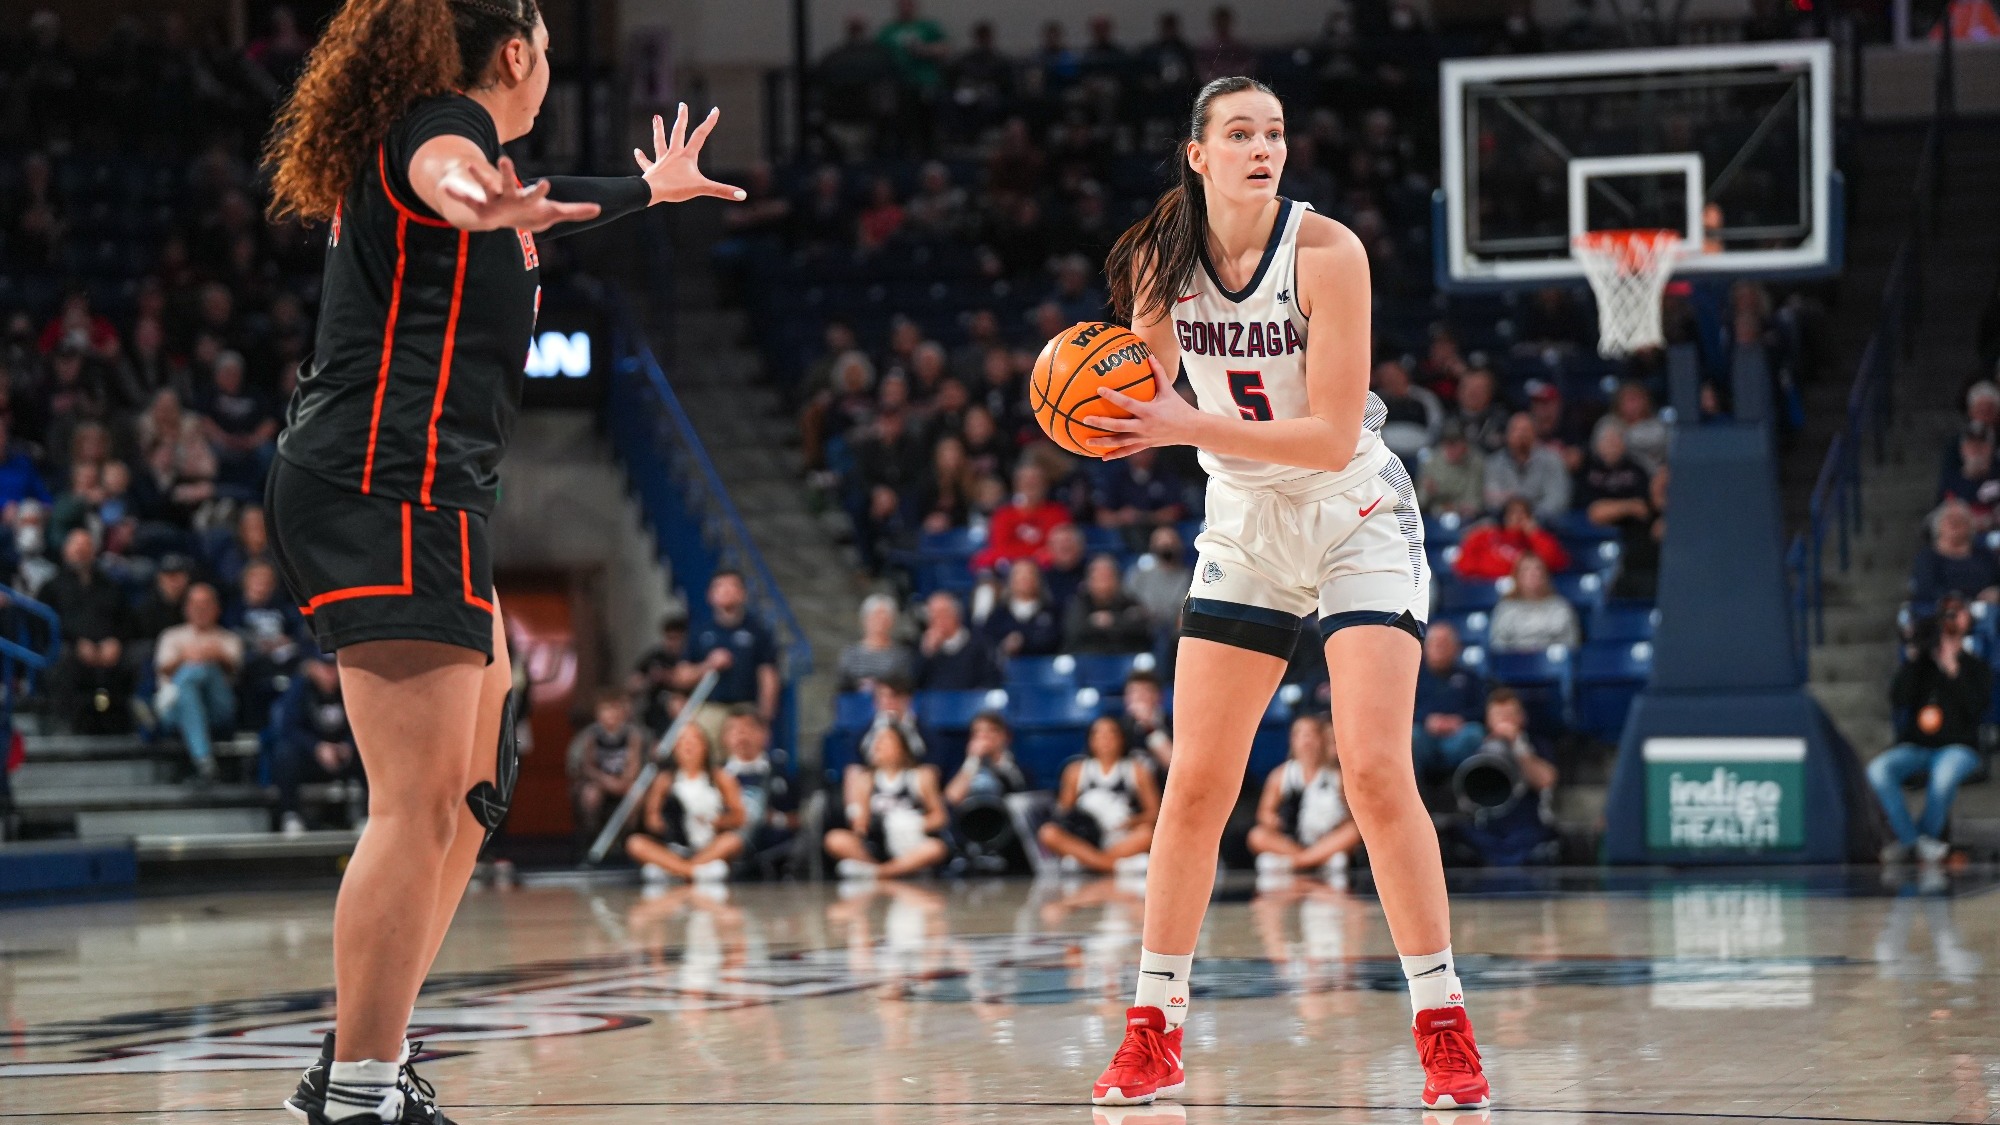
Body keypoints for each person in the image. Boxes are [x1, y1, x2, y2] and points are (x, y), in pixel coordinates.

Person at [258, 0, 744, 1117]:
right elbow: (449, 177)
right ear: (515, 53)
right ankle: (357, 1092)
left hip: (425, 496)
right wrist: (483, 193)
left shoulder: (469, 165)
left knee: (476, 782)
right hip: (377, 486)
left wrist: (646, 192)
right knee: (416, 801)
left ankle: (358, 1059)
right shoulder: (436, 135)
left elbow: (525, 218)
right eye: (547, 49)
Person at [1081, 76, 1488, 1110]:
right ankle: (1151, 1028)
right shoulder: (1155, 261)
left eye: (1272, 132)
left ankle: (1442, 1025)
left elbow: (1327, 432)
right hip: (1246, 532)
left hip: (1353, 517)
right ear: (1197, 153)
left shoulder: (1326, 253)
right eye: (1238, 133)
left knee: (1374, 771)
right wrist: (1092, 404)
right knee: (1196, 786)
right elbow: (1142, 395)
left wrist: (1179, 427)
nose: (1261, 147)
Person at [1869, 597, 1988, 866]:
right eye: (1946, 616)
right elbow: (1899, 698)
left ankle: (1915, 842)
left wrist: (1953, 669)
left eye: (1956, 615)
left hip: (1959, 746)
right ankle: (1918, 844)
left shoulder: (1976, 667)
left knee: (1943, 775)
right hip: (1918, 745)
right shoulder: (1921, 664)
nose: (1950, 622)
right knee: (1878, 770)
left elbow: (1977, 707)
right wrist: (1912, 660)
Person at [824, 722, 951, 880]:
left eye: (886, 741)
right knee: (835, 839)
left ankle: (880, 873)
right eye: (877, 742)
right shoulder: (865, 780)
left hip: (910, 843)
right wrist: (862, 825)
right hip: (877, 843)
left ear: (902, 748)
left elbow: (940, 818)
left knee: (936, 848)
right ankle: (888, 870)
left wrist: (913, 824)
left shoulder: (920, 776)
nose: (878, 746)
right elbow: (860, 824)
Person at [1037, 715, 1160, 875]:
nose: (1105, 740)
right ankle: (1114, 866)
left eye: (1111, 734)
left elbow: (1154, 813)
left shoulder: (1137, 770)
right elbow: (1064, 812)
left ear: (1122, 738)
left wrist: (1129, 822)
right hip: (1087, 837)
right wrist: (1085, 822)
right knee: (1048, 833)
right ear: (1090, 739)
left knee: (1147, 834)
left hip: (1121, 836)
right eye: (1099, 734)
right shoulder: (1075, 770)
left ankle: (1088, 863)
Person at [625, 723, 746, 884]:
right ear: (675, 748)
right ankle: (690, 871)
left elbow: (739, 817)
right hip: (675, 847)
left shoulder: (721, 778)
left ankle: (677, 870)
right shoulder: (665, 780)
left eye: (694, 740)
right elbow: (652, 819)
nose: (689, 746)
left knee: (733, 841)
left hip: (708, 846)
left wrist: (715, 821)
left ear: (705, 746)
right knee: (635, 843)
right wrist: (669, 823)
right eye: (683, 741)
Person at [42, 528, 133, 733]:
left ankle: (127, 724)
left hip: (108, 649)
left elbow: (126, 620)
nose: (81, 552)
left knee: (137, 659)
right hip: (70, 648)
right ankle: (66, 725)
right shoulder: (52, 586)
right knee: (62, 660)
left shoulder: (110, 585)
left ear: (94, 551)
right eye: (76, 547)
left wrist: (116, 641)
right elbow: (45, 625)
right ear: (65, 551)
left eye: (86, 547)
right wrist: (77, 643)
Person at [1248, 715, 1360, 877]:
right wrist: (1273, 820)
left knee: (1353, 831)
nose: (1306, 740)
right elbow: (1264, 812)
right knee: (1256, 835)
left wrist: (1339, 821)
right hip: (1292, 839)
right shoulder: (1281, 775)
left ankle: (1298, 862)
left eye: (1312, 734)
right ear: (1292, 740)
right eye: (1300, 734)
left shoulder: (1337, 776)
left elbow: (1352, 815)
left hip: (1327, 838)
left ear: (1321, 739)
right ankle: (1315, 859)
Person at [153, 582, 242, 782]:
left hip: (217, 709)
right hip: (177, 712)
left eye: (206, 604)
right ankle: (203, 759)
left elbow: (235, 670)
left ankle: (202, 757)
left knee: (201, 670)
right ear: (186, 608)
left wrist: (215, 657)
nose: (201, 609)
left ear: (217, 608)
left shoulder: (229, 639)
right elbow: (163, 669)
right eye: (195, 604)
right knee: (189, 684)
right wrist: (185, 659)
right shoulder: (170, 636)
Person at [681, 570, 782, 740]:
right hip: (710, 708)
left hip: (746, 708)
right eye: (720, 587)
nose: (727, 591)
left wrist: (765, 718)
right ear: (710, 595)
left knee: (745, 762)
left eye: (732, 586)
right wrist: (708, 665)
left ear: (743, 594)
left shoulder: (758, 631)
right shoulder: (699, 632)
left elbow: (768, 676)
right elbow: (682, 676)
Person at [270, 651, 363, 836]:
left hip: (343, 755)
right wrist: (316, 747)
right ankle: (290, 815)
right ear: (312, 668)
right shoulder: (300, 689)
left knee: (369, 753)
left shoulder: (349, 689)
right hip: (311, 757)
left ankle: (366, 815)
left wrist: (348, 745)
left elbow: (365, 724)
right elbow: (289, 729)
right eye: (324, 668)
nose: (330, 673)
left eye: (333, 668)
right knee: (284, 753)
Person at [1412, 621, 1488, 783]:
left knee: (1474, 733)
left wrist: (1459, 720)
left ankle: (1466, 795)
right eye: (1436, 643)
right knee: (1413, 736)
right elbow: (1402, 712)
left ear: (1457, 647)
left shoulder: (1470, 678)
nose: (1440, 648)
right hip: (1425, 736)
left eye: (1445, 643)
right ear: (1426, 648)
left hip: (1458, 736)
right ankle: (1417, 798)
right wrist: (1426, 720)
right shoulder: (1413, 678)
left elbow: (1482, 710)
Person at [566, 690, 646, 843]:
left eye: (615, 710)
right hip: (600, 780)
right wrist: (606, 781)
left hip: (623, 780)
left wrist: (623, 781)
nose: (611, 715)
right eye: (606, 710)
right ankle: (592, 836)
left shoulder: (632, 734)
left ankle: (628, 837)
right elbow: (587, 766)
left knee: (636, 795)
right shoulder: (591, 735)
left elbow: (634, 763)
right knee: (590, 795)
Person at [719, 706, 798, 860]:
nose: (741, 734)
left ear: (765, 734)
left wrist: (774, 819)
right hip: (730, 855)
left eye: (748, 727)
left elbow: (801, 818)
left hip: (777, 855)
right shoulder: (717, 776)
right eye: (734, 729)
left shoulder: (782, 772)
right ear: (724, 738)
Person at [970, 462, 1071, 572]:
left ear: (1045, 484)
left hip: (1049, 573)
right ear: (1017, 485)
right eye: (1026, 481)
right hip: (1008, 573)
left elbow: (1059, 550)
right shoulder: (1003, 514)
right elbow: (1000, 549)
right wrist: (1035, 555)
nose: (1031, 484)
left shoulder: (1058, 513)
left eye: (1035, 480)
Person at [1453, 497, 1570, 582]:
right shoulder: (1488, 536)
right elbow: (1463, 566)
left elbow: (1557, 562)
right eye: (1513, 513)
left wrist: (1535, 533)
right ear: (1505, 517)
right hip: (1490, 588)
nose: (1518, 517)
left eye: (1523, 513)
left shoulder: (1537, 539)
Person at [1910, 500, 2000, 605]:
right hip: (1946, 613)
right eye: (1949, 518)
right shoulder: (1927, 558)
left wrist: (1996, 593)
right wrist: (1970, 601)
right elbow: (1927, 591)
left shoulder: (1985, 555)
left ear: (1971, 525)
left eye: (1961, 519)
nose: (1955, 522)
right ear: (1938, 525)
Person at [1484, 412, 1570, 519]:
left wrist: (1529, 516)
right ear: (1507, 435)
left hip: (1543, 522)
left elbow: (1557, 499)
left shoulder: (1552, 460)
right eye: (1516, 430)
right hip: (1504, 521)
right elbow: (1492, 500)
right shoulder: (1494, 462)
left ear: (1534, 433)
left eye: (1525, 430)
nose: (1521, 435)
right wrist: (1514, 516)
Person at [1488, 555, 1579, 653]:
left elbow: (1571, 644)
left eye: (1538, 569)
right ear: (1517, 577)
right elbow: (1497, 646)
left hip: (1551, 665)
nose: (1533, 574)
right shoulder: (1505, 608)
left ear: (1545, 576)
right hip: (1514, 664)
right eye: (1526, 570)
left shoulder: (1560, 607)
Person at [1064, 554, 1153, 653]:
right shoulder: (1079, 603)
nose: (1104, 583)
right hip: (1088, 658)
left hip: (1123, 656)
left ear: (1117, 580)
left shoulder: (1129, 602)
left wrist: (1112, 620)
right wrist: (1120, 622)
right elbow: (1075, 630)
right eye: (1099, 577)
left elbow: (1141, 628)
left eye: (1108, 577)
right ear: (1089, 581)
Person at [913, 590, 999, 691]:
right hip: (934, 702)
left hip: (969, 702)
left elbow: (990, 680)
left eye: (941, 614)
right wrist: (926, 654)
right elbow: (913, 684)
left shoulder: (978, 645)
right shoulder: (923, 647)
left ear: (955, 615)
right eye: (932, 615)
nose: (935, 620)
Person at [981, 559, 1062, 659]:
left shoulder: (1053, 611)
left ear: (1038, 580)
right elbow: (986, 643)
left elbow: (1057, 641)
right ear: (1011, 581)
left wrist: (1024, 642)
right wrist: (1004, 646)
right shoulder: (998, 614)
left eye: (1029, 573)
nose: (1025, 578)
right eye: (1019, 574)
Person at [944, 710, 1031, 805]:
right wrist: (973, 760)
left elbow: (1021, 795)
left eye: (991, 731)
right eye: (977, 732)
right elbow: (951, 800)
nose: (983, 736)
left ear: (1006, 736)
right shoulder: (961, 768)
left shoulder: (1019, 768)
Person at [838, 592, 913, 692]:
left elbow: (903, 686)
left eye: (884, 618)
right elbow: (843, 687)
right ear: (865, 620)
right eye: (875, 617)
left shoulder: (901, 655)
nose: (880, 622)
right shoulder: (851, 654)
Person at [1118, 670, 1175, 780]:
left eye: (1145, 691)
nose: (1139, 697)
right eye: (1133, 692)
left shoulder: (1172, 724)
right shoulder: (1118, 728)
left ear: (1158, 696)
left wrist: (1149, 727)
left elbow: (1172, 764)